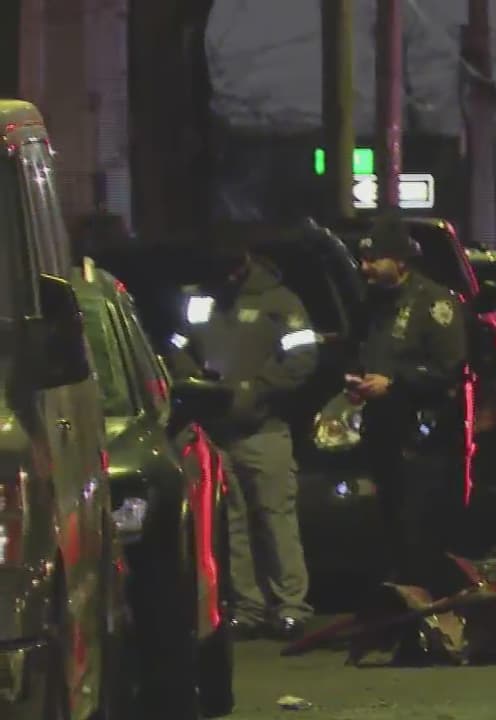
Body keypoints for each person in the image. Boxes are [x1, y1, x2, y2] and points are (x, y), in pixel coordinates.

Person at [168, 234, 319, 640]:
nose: (228, 280)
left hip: (263, 429)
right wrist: (191, 377)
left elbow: (304, 356)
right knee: (231, 522)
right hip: (215, 432)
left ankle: (290, 606)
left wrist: (258, 388)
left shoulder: (279, 300)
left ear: (246, 262)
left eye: (234, 271)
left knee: (275, 518)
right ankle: (248, 607)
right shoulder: (199, 298)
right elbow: (176, 343)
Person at [348, 211, 469, 592]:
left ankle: (430, 609)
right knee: (390, 527)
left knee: (421, 530)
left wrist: (396, 384)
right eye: (362, 259)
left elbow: (449, 367)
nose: (365, 267)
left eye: (373, 259)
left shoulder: (434, 304)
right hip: (383, 432)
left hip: (424, 438)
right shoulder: (371, 305)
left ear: (399, 261)